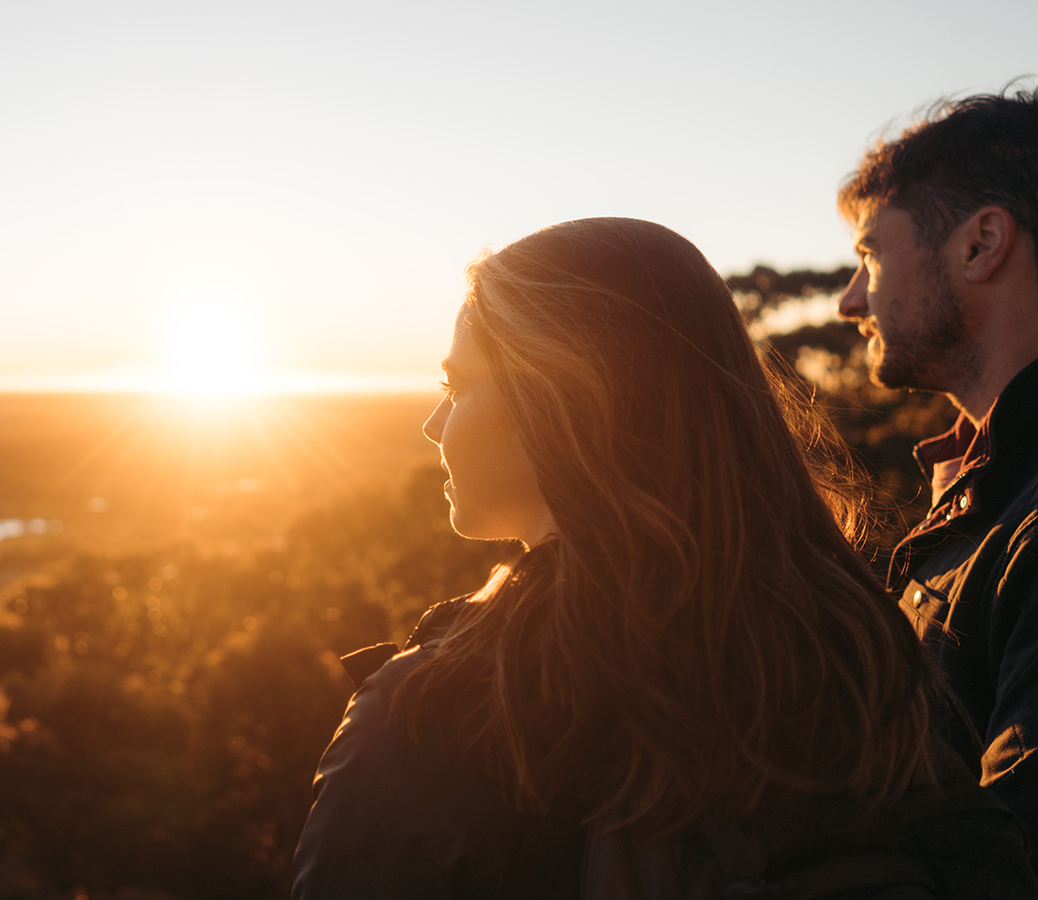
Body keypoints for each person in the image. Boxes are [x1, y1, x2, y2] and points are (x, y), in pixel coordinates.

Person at [291, 217, 1038, 898]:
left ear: (553, 404)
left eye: (455, 386)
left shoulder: (432, 718)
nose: (433, 423)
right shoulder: (867, 664)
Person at [835, 87, 1038, 861]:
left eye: (870, 256)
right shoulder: (979, 485)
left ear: (981, 244)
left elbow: (1011, 854)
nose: (851, 300)